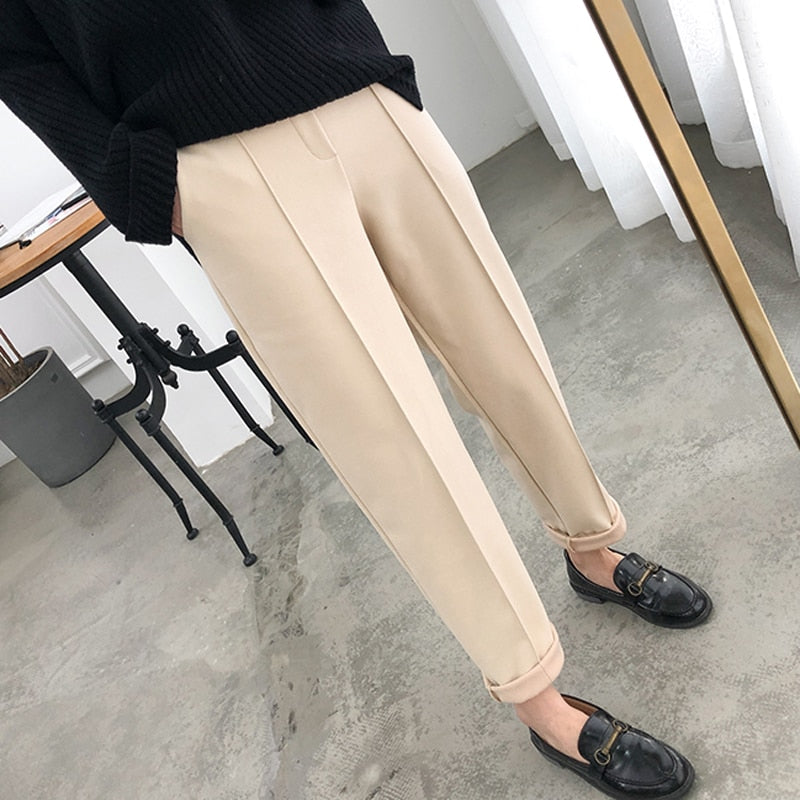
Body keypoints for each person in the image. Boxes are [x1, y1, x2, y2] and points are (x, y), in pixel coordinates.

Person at [0, 2, 712, 798]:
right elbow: (17, 51)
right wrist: (147, 185)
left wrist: (373, 65)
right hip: (213, 161)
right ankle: (536, 693)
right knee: (393, 440)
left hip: (357, 90)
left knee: (508, 354)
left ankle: (593, 551)